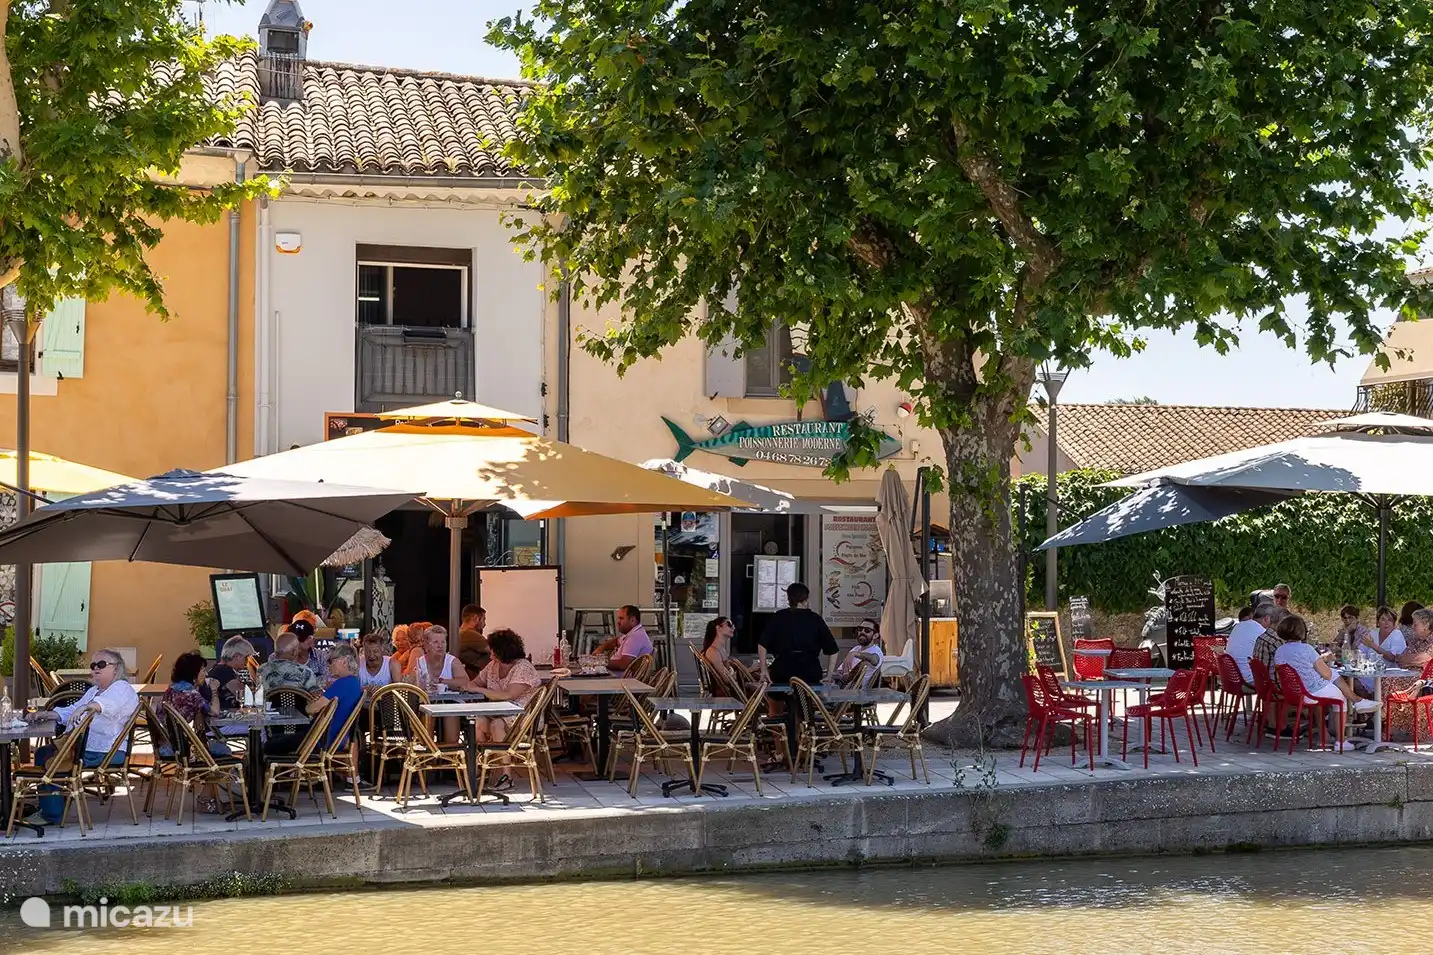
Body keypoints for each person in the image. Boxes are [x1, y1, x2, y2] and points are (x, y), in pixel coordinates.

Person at [31, 648, 140, 824]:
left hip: (106, 751)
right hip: (86, 747)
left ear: (116, 668)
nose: (96, 668)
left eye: (102, 664)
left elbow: (103, 705)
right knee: (45, 753)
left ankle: (52, 814)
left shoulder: (121, 688)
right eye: (93, 665)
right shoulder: (95, 691)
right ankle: (52, 806)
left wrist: (85, 708)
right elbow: (73, 710)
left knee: (50, 756)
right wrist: (49, 714)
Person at [1272, 613, 1376, 752]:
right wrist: (1324, 662)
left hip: (1294, 692)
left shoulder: (1280, 651)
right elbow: (1326, 674)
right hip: (1311, 691)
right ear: (1301, 631)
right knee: (1340, 696)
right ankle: (1341, 739)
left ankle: (1357, 701)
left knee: (1334, 675)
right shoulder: (1307, 649)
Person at [159, 651, 232, 812]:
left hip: (167, 744)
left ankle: (209, 799)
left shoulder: (171, 689)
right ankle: (205, 799)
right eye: (203, 671)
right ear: (194, 673)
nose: (205, 674)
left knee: (215, 748)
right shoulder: (191, 694)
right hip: (182, 749)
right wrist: (213, 690)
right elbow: (214, 711)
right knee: (225, 751)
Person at [265, 643, 364, 757]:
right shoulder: (354, 683)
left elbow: (312, 709)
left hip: (318, 741)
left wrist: (308, 705)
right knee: (280, 739)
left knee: (269, 745)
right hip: (333, 740)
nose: (328, 665)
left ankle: (275, 773)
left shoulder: (341, 684)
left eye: (331, 661)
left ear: (344, 661)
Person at [757, 582, 840, 686]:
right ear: (806, 599)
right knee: (809, 700)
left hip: (782, 670)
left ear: (788, 599)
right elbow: (834, 651)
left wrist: (763, 669)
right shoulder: (815, 619)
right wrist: (829, 675)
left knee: (776, 698)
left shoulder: (779, 617)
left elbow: (762, 645)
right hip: (809, 673)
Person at [467, 629, 540, 742]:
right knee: (478, 721)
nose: (490, 654)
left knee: (497, 725)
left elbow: (508, 695)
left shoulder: (523, 667)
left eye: (493, 650)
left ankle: (502, 759)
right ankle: (484, 757)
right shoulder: (493, 665)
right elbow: (474, 683)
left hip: (523, 716)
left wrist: (478, 689)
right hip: (497, 713)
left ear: (502, 650)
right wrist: (471, 686)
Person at [1357, 605, 1408, 695]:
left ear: (1394, 623)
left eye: (1390, 620)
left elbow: (1392, 657)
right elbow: (1360, 652)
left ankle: (1371, 703)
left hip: (1389, 677)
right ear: (1378, 622)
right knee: (1348, 681)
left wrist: (1373, 646)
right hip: (1370, 674)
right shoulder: (1373, 633)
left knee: (1354, 684)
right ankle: (1366, 704)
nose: (1387, 623)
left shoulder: (1397, 635)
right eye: (1383, 619)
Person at [201, 636, 253, 712]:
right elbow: (245, 697)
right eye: (246, 657)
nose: (247, 661)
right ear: (236, 656)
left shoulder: (219, 668)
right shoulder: (224, 671)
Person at [1228, 603, 1276, 684]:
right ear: (1266, 619)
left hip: (1232, 677)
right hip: (1249, 679)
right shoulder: (1261, 631)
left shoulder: (1237, 626)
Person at [406, 625, 466, 690]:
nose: (440, 645)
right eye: (435, 642)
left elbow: (465, 682)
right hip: (426, 699)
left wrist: (440, 681)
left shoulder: (452, 661)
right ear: (426, 644)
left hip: (451, 699)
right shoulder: (419, 663)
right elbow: (410, 684)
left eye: (443, 642)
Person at [596, 605, 653, 672]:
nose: (618, 622)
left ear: (632, 620)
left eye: (621, 618)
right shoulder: (633, 633)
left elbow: (624, 664)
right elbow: (616, 642)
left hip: (622, 680)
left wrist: (599, 662)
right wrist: (601, 648)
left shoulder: (635, 637)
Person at [834, 619, 884, 687]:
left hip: (856, 692)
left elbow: (874, 659)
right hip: (843, 686)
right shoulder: (856, 648)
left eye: (867, 630)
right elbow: (840, 672)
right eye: (860, 629)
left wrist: (854, 654)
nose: (862, 632)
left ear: (875, 636)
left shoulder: (876, 651)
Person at [1251, 605, 1289, 686]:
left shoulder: (1261, 637)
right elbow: (1288, 666)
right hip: (1275, 687)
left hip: (1262, 686)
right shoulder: (1277, 641)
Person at [289, 618, 329, 683]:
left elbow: (327, 681)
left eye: (301, 639)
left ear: (312, 639)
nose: (296, 643)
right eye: (293, 639)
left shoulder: (322, 656)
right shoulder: (278, 657)